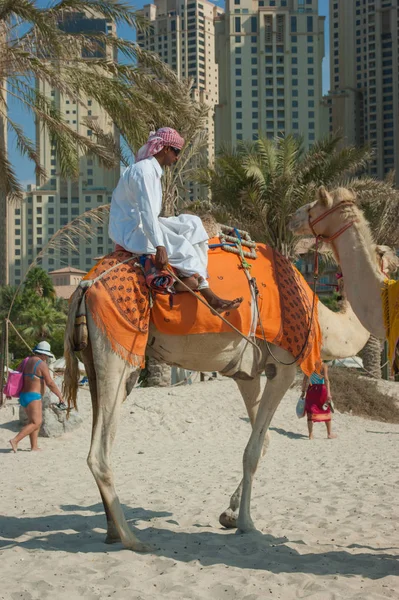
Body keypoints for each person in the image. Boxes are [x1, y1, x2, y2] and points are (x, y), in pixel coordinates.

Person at [109, 127, 243, 313]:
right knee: (181, 245)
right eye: (176, 152)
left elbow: (150, 215)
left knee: (193, 224)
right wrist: (159, 246)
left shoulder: (152, 171)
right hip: (131, 229)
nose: (177, 157)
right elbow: (147, 214)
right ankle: (211, 298)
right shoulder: (144, 172)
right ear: (165, 149)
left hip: (145, 223)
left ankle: (196, 278)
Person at [9, 341, 65, 453]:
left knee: (33, 421)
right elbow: (50, 383)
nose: (47, 358)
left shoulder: (26, 361)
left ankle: (34, 446)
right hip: (33, 396)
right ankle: (15, 440)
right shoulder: (41, 364)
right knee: (36, 422)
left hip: (23, 396)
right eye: (47, 356)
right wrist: (60, 396)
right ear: (43, 354)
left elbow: (16, 374)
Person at [301, 362, 337, 440]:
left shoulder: (309, 365)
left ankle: (310, 435)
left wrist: (303, 391)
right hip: (321, 391)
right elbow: (326, 380)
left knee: (310, 411)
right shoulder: (323, 365)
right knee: (326, 410)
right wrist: (328, 394)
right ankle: (329, 434)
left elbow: (305, 380)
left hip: (311, 390)